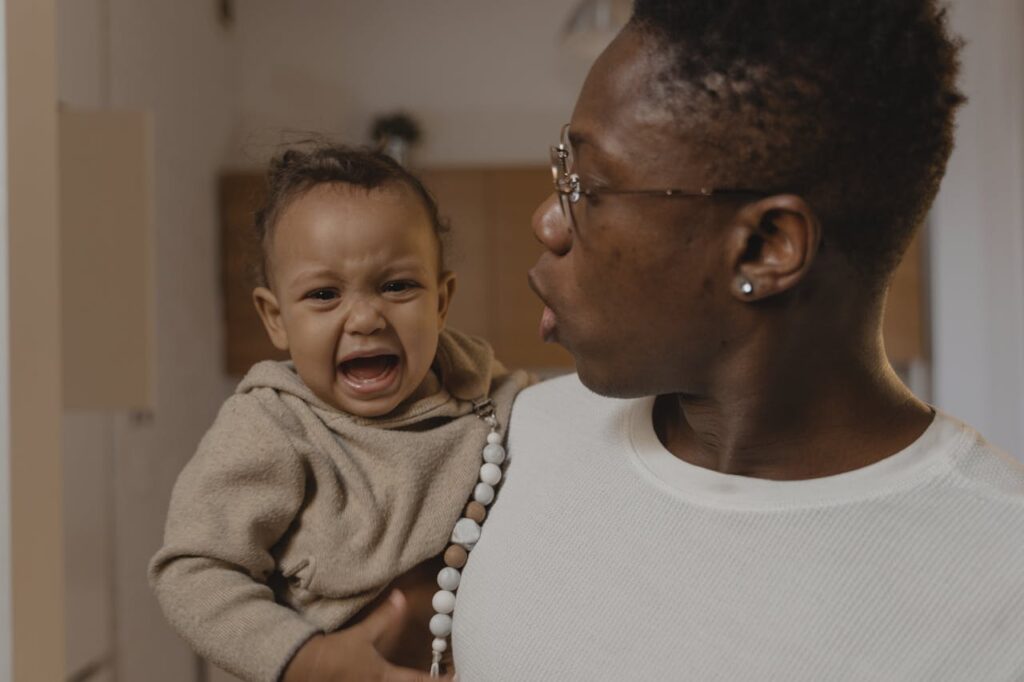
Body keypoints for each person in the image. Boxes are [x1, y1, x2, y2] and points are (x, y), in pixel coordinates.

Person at [451, 2, 1024, 680]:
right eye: (561, 169)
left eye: (590, 186)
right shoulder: (520, 442)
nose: (548, 220)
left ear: (764, 248)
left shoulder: (1002, 584)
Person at [149, 146, 529, 682]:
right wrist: (308, 660)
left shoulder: (497, 403)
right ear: (276, 318)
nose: (366, 316)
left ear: (441, 301)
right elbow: (193, 569)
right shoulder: (274, 426)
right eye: (325, 294)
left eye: (397, 286)